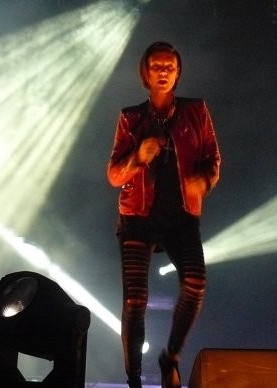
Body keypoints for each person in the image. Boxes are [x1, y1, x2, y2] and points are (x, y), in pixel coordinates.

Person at [107, 41, 221, 388]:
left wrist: (204, 180)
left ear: (178, 72)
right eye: (156, 67)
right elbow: (114, 175)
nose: (163, 72)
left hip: (181, 217)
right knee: (135, 300)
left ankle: (170, 357)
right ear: (145, 73)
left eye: (169, 67)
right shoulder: (131, 118)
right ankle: (134, 379)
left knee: (196, 284)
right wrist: (138, 157)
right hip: (137, 217)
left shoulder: (196, 111)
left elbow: (213, 159)